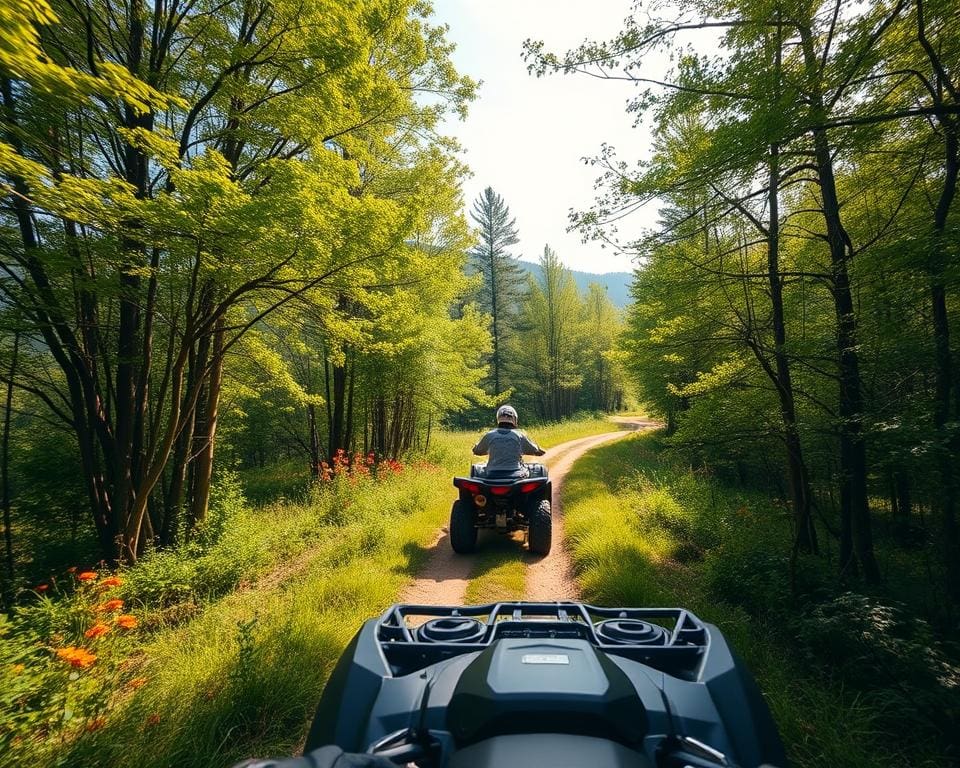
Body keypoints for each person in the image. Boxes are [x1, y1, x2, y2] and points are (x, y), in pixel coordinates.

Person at [472, 404, 545, 477]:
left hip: (492, 474)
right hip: (516, 473)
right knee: (538, 472)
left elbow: (477, 451)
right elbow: (534, 450)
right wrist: (539, 451)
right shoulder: (519, 435)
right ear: (515, 419)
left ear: (498, 419)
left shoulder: (489, 435)